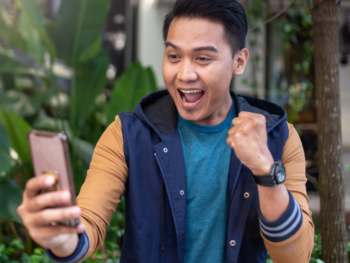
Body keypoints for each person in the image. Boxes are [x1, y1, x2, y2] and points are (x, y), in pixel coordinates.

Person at [17, 0, 315, 262]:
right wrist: (60, 238)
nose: (184, 74)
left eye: (203, 58)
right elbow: (89, 224)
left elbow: (296, 256)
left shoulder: (280, 136)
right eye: (174, 56)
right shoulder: (128, 133)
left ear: (239, 61)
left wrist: (265, 170)